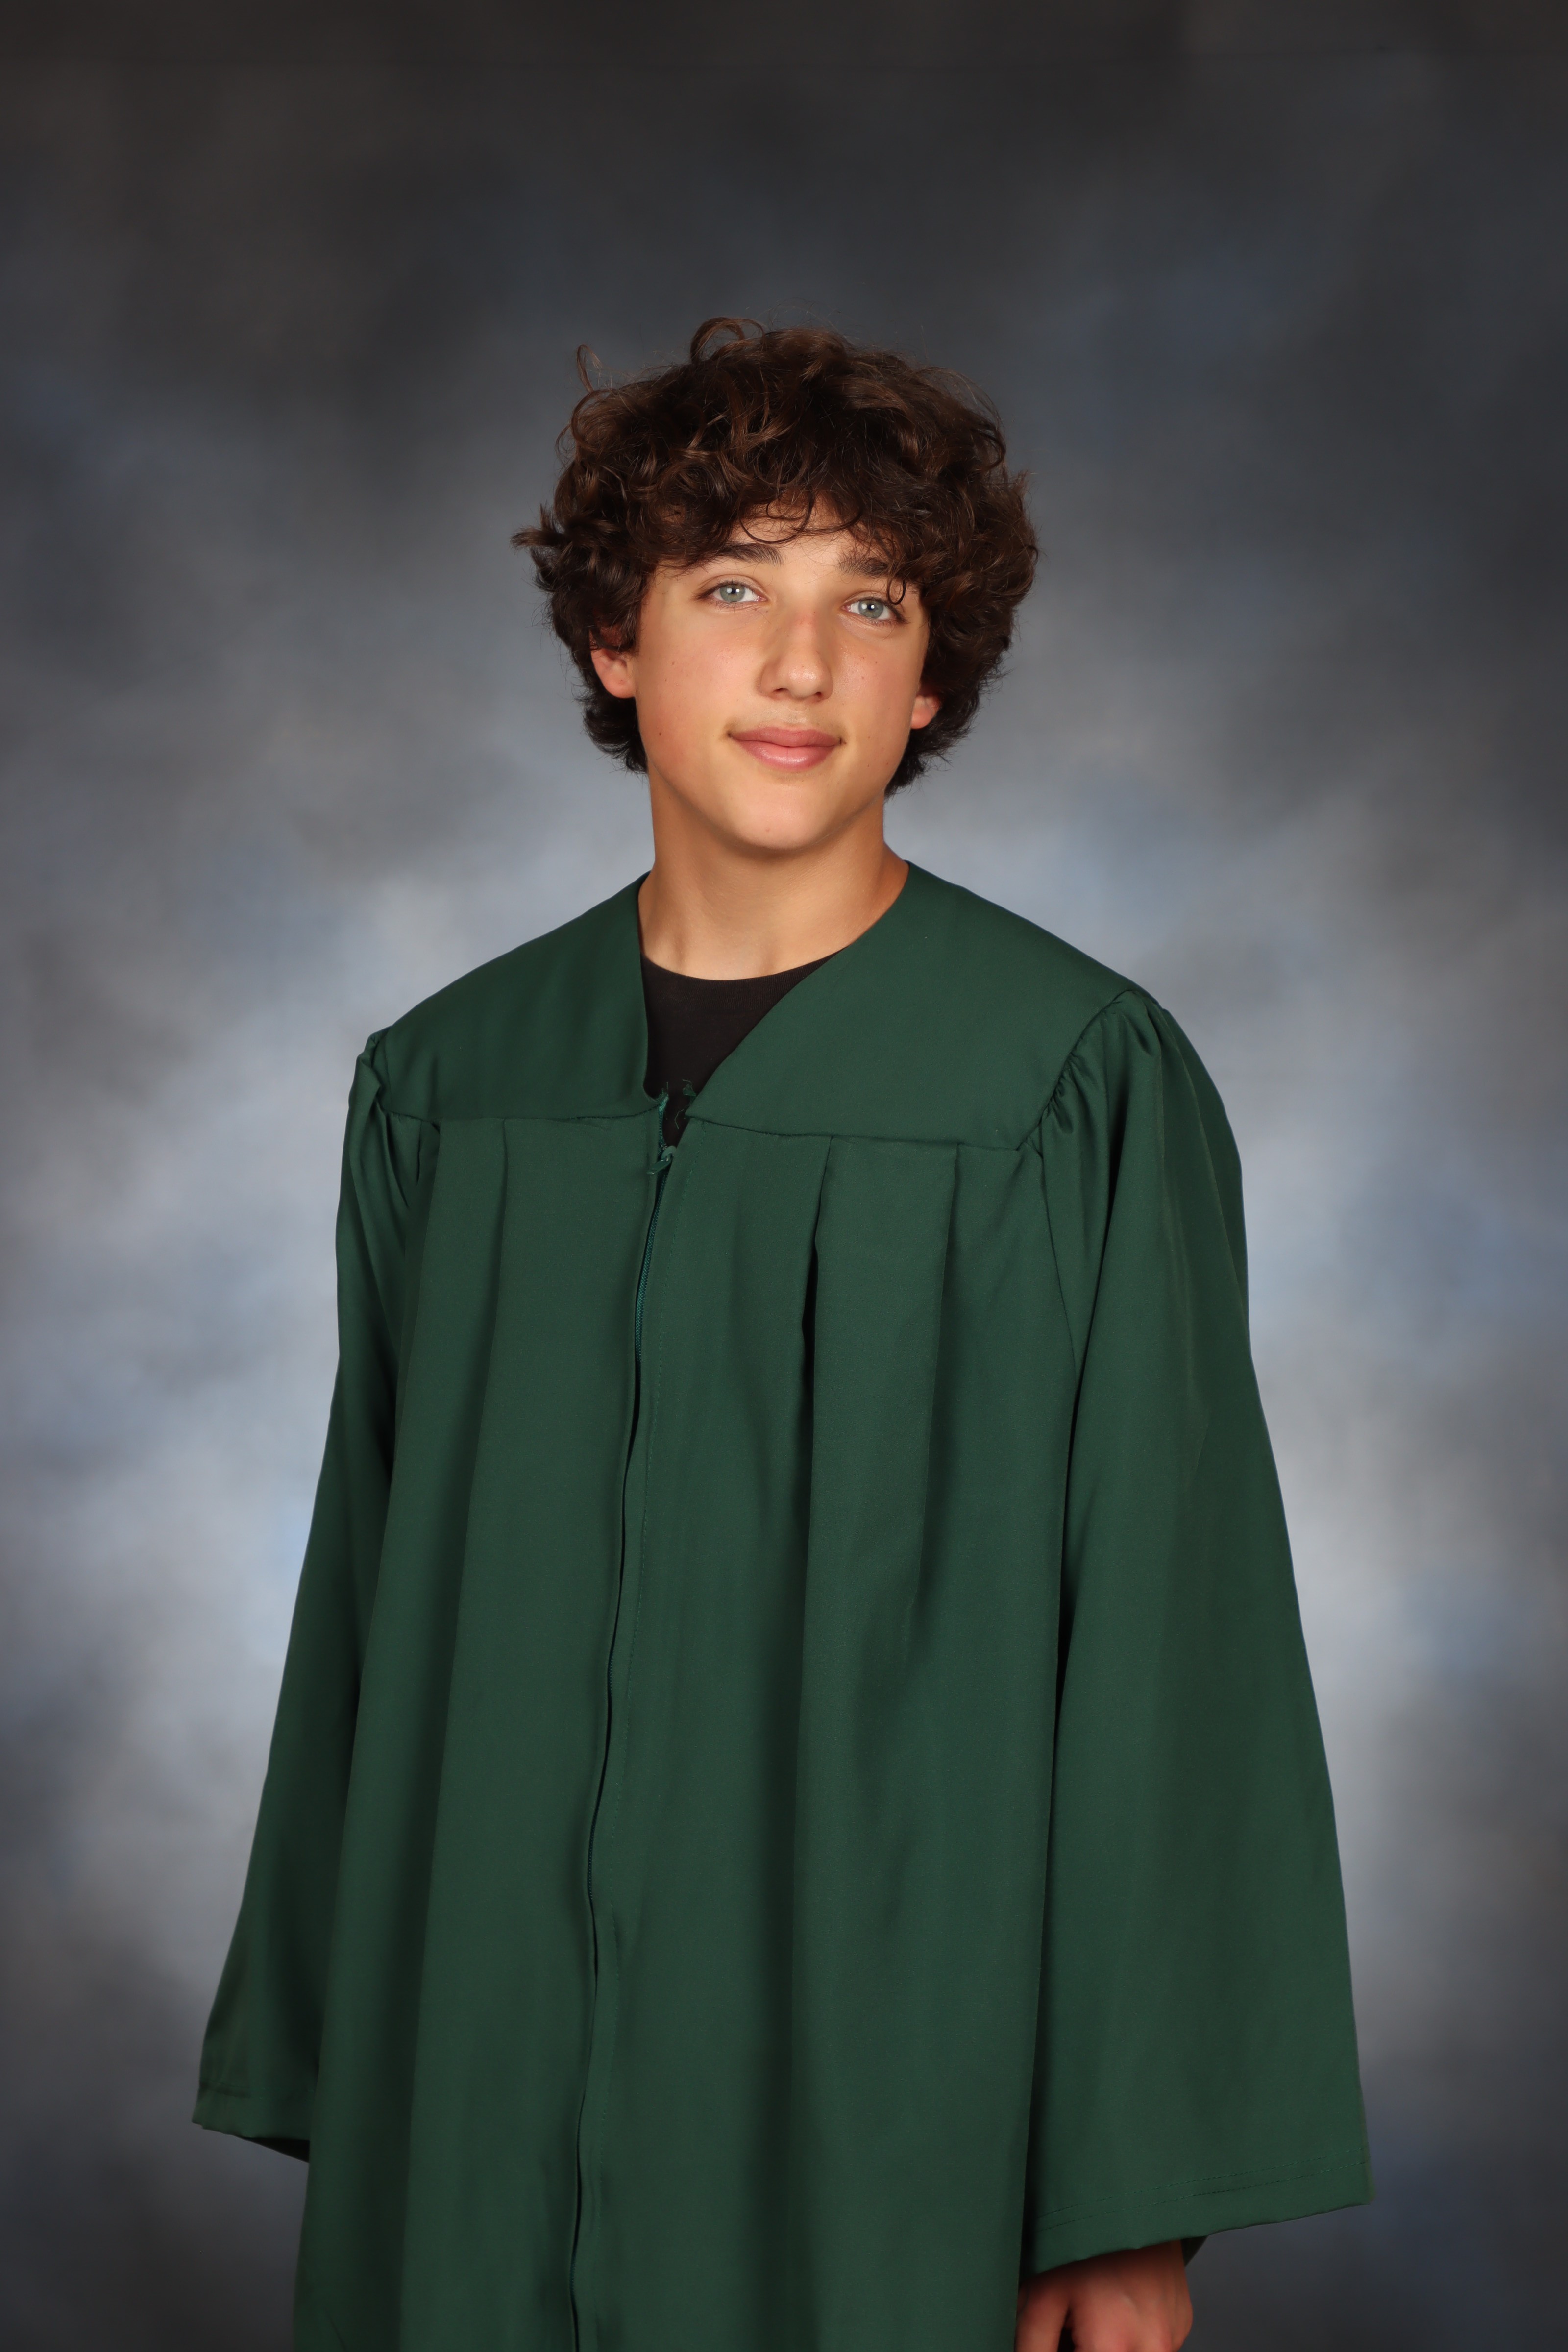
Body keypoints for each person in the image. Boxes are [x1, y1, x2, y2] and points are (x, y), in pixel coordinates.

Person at [195, 319, 1371, 2352]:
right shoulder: (452, 1089)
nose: (802, 664)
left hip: (895, 2073)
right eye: (732, 588)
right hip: (475, 2064)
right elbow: (370, 1597)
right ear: (615, 643)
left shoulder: (1069, 1084)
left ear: (934, 682)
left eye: (872, 602)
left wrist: (1130, 2196)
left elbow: (1174, 1643)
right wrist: (350, 2042)